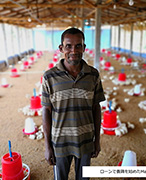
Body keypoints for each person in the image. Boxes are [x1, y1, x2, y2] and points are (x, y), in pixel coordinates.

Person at [41, 27, 105, 180]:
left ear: (84, 48)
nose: (73, 50)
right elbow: (46, 111)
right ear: (61, 48)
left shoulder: (93, 74)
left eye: (78, 45)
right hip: (60, 142)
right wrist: (47, 146)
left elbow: (96, 108)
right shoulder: (49, 77)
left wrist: (97, 140)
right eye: (68, 46)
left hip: (86, 140)